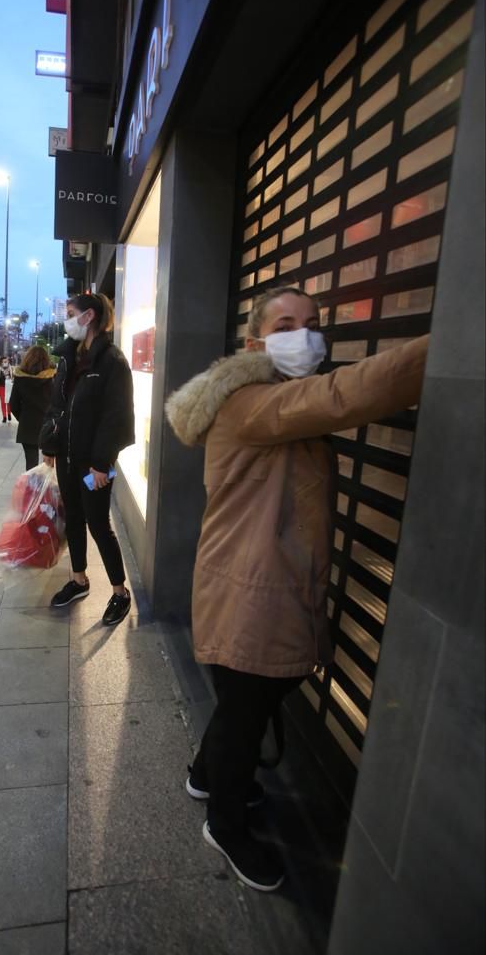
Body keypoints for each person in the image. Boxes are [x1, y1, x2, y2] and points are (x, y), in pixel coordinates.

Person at [165, 285, 428, 892]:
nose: (305, 334)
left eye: (313, 323)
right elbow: (338, 396)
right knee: (246, 708)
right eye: (286, 324)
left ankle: (207, 774)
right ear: (256, 341)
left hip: (261, 584)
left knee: (246, 701)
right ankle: (226, 826)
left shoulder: (274, 397)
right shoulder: (250, 402)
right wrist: (438, 352)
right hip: (250, 590)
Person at [40, 293, 135, 628]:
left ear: (88, 316)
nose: (66, 319)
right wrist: (49, 445)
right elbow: (56, 405)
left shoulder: (111, 360)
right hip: (66, 457)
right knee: (74, 520)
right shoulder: (69, 357)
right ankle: (79, 580)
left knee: (98, 524)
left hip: (92, 464)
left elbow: (117, 417)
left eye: (70, 313)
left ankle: (120, 592)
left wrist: (101, 463)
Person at [9, 345, 55, 470]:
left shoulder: (20, 377)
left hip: (28, 425)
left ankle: (32, 488)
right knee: (51, 461)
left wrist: (23, 418)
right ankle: (49, 488)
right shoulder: (52, 377)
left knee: (31, 464)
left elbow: (13, 404)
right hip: (49, 425)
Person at [0, 356, 13, 423]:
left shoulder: (11, 368)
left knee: (9, 402)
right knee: (3, 402)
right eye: (4, 361)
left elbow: (14, 378)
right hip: (1, 387)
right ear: (1, 362)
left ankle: (9, 413)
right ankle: (4, 416)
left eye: (6, 361)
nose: (5, 362)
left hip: (9, 387)